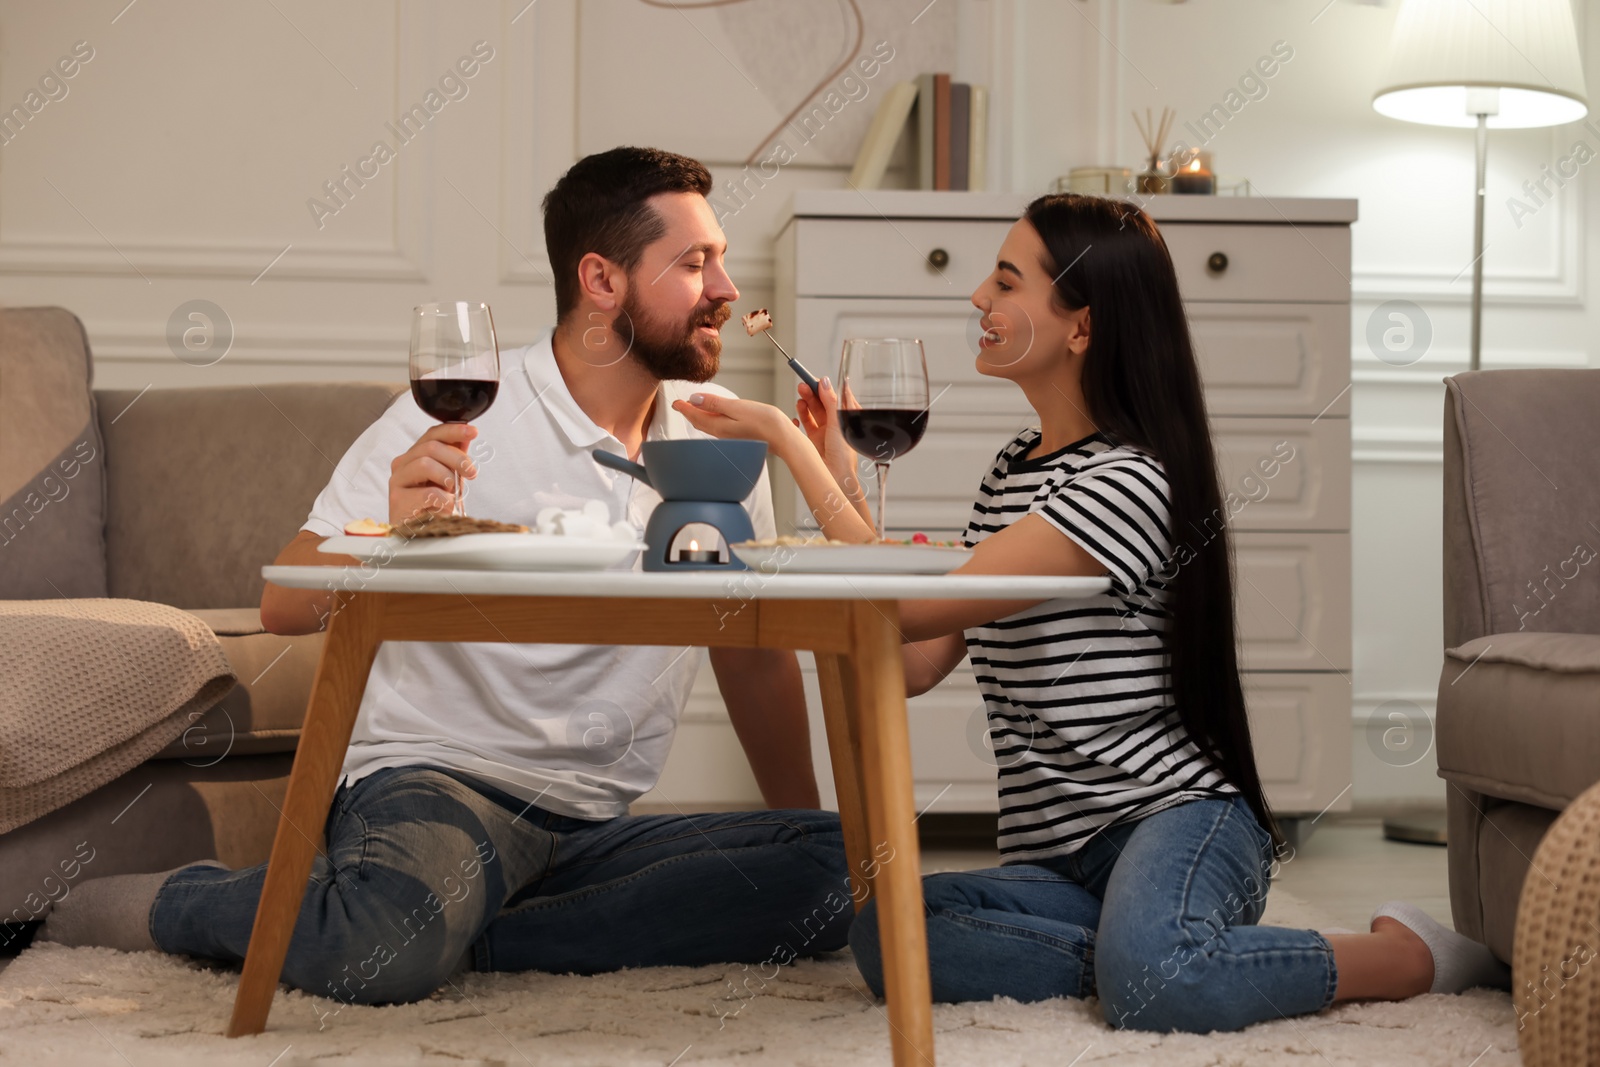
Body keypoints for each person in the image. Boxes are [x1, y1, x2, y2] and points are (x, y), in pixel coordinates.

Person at [670, 192, 1511, 1033]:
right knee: (890, 937)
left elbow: (916, 605)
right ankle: (1156, 950)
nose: (978, 301)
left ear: (1081, 325)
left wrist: (784, 441)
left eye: (1006, 283)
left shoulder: (1127, 482)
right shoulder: (1012, 472)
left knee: (1159, 984)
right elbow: (917, 659)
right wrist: (836, 466)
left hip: (1177, 819)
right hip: (1057, 859)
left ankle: (1404, 952)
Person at [41, 147, 851, 1006]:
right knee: (381, 952)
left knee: (836, 874)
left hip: (593, 818)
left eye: (717, 259)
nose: (725, 286)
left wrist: (796, 829)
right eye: (695, 263)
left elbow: (752, 653)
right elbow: (286, 603)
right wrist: (389, 531)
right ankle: (173, 903)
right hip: (437, 778)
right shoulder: (465, 413)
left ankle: (451, 925)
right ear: (602, 281)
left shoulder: (716, 444)